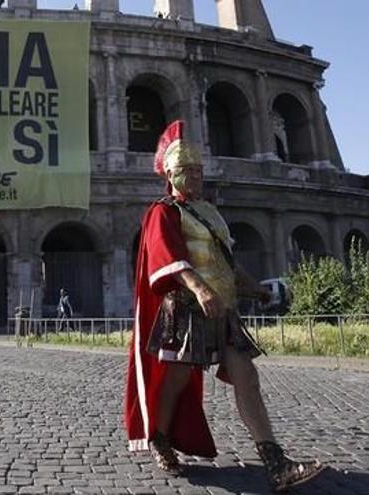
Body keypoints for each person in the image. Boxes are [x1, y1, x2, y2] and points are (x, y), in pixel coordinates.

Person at [123, 120, 325, 492]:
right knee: (178, 379)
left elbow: (224, 259)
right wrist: (200, 289)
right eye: (189, 171)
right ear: (172, 174)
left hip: (223, 309)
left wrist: (252, 288)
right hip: (187, 309)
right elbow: (168, 257)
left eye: (200, 171)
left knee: (246, 376)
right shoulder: (162, 211)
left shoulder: (209, 211)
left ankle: (276, 463)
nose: (197, 177)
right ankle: (160, 438)